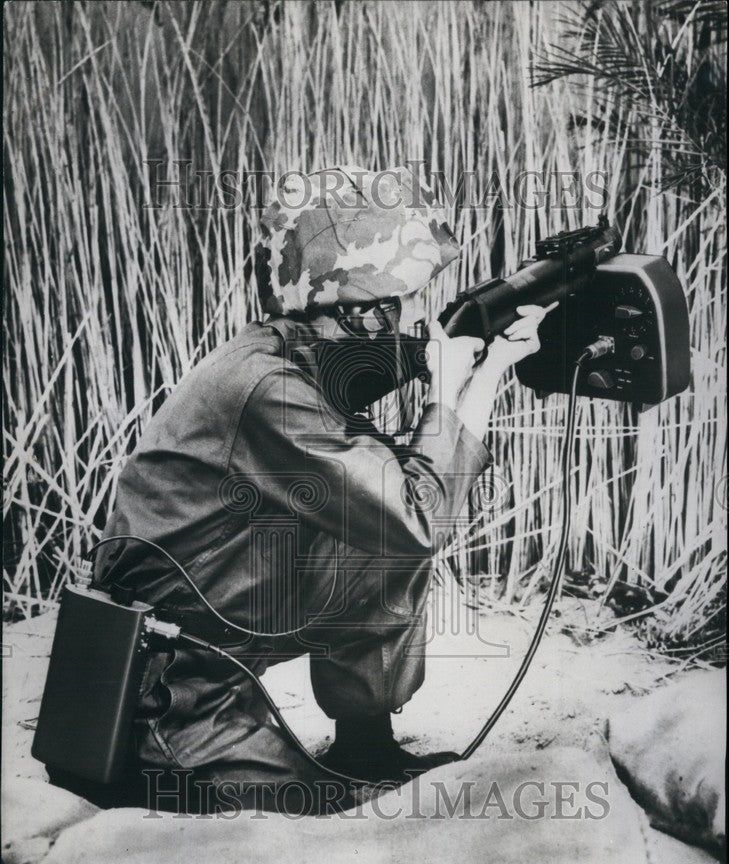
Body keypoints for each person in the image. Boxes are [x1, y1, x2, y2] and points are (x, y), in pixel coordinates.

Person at [94, 165, 550, 813]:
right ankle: (189, 757)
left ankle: (365, 743)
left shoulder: (287, 349)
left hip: (219, 622)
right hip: (170, 688)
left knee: (371, 545)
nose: (398, 314)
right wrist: (468, 383)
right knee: (324, 811)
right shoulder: (269, 390)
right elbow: (415, 519)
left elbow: (364, 368)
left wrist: (455, 346)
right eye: (387, 302)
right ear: (352, 306)